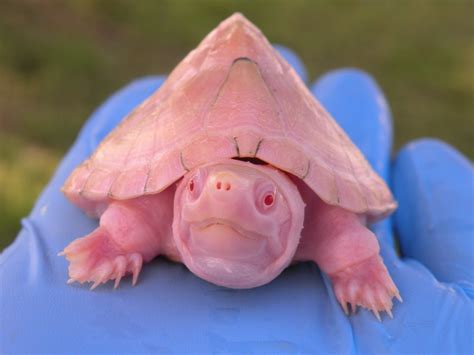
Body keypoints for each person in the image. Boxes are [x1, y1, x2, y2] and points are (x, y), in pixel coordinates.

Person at [1, 46, 472, 354]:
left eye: (266, 199)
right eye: (196, 189)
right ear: (180, 193)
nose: (221, 197)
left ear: (293, 211)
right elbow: (131, 214)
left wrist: (358, 271)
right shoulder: (158, 208)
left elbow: (350, 241)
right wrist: (115, 241)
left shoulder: (320, 221)